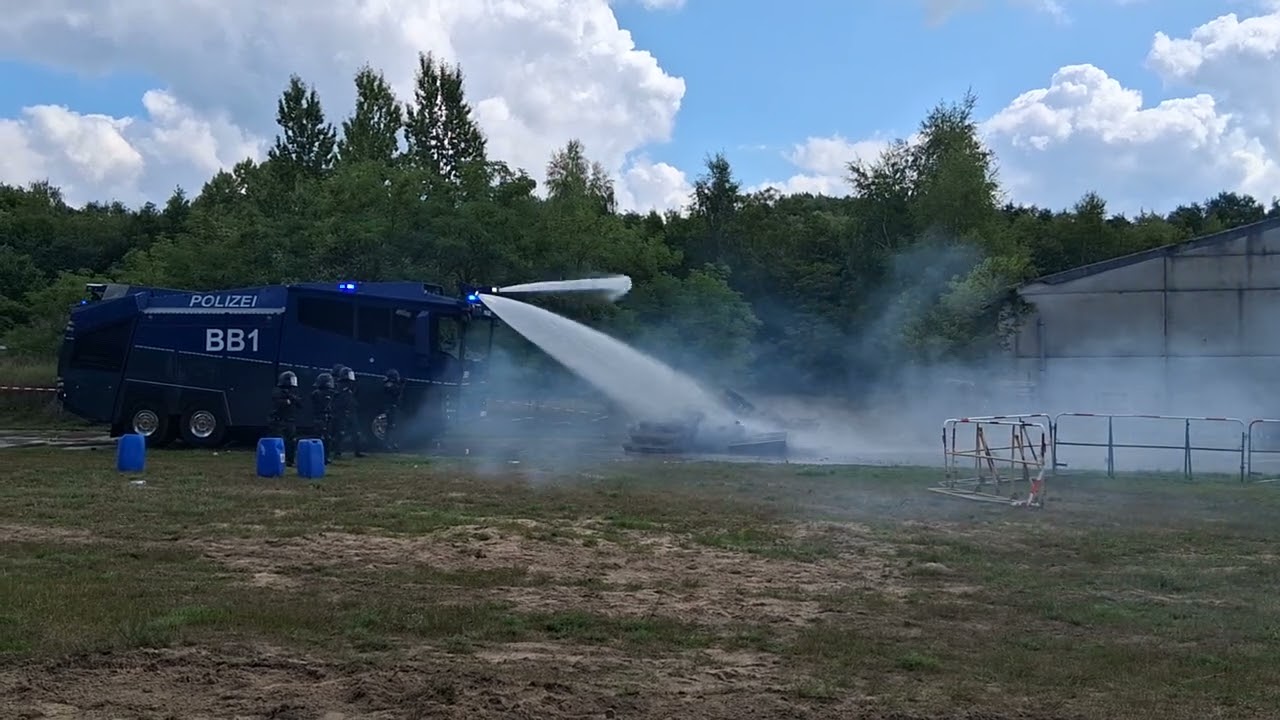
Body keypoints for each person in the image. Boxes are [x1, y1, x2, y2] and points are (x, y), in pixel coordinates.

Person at [268, 370, 302, 467]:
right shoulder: (277, 391)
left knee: (291, 441)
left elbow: (300, 403)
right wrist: (288, 400)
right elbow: (279, 403)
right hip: (279, 420)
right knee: (279, 441)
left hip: (290, 420)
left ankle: (290, 460)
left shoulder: (292, 392)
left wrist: (292, 398)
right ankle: (278, 460)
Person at [334, 366, 365, 459]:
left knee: (357, 433)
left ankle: (358, 451)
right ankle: (337, 452)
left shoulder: (352, 386)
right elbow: (338, 400)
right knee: (340, 433)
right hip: (342, 412)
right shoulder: (338, 386)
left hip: (351, 412)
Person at [310, 372, 335, 464]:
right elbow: (322, 404)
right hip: (320, 418)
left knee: (328, 438)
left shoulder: (329, 393)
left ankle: (326, 457)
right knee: (320, 438)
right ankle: (319, 457)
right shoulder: (317, 393)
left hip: (326, 418)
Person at [381, 368, 404, 451]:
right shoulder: (389, 385)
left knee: (394, 426)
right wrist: (402, 385)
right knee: (391, 426)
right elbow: (396, 392)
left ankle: (392, 443)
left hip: (393, 406)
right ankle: (387, 444)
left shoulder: (390, 384)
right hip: (390, 407)